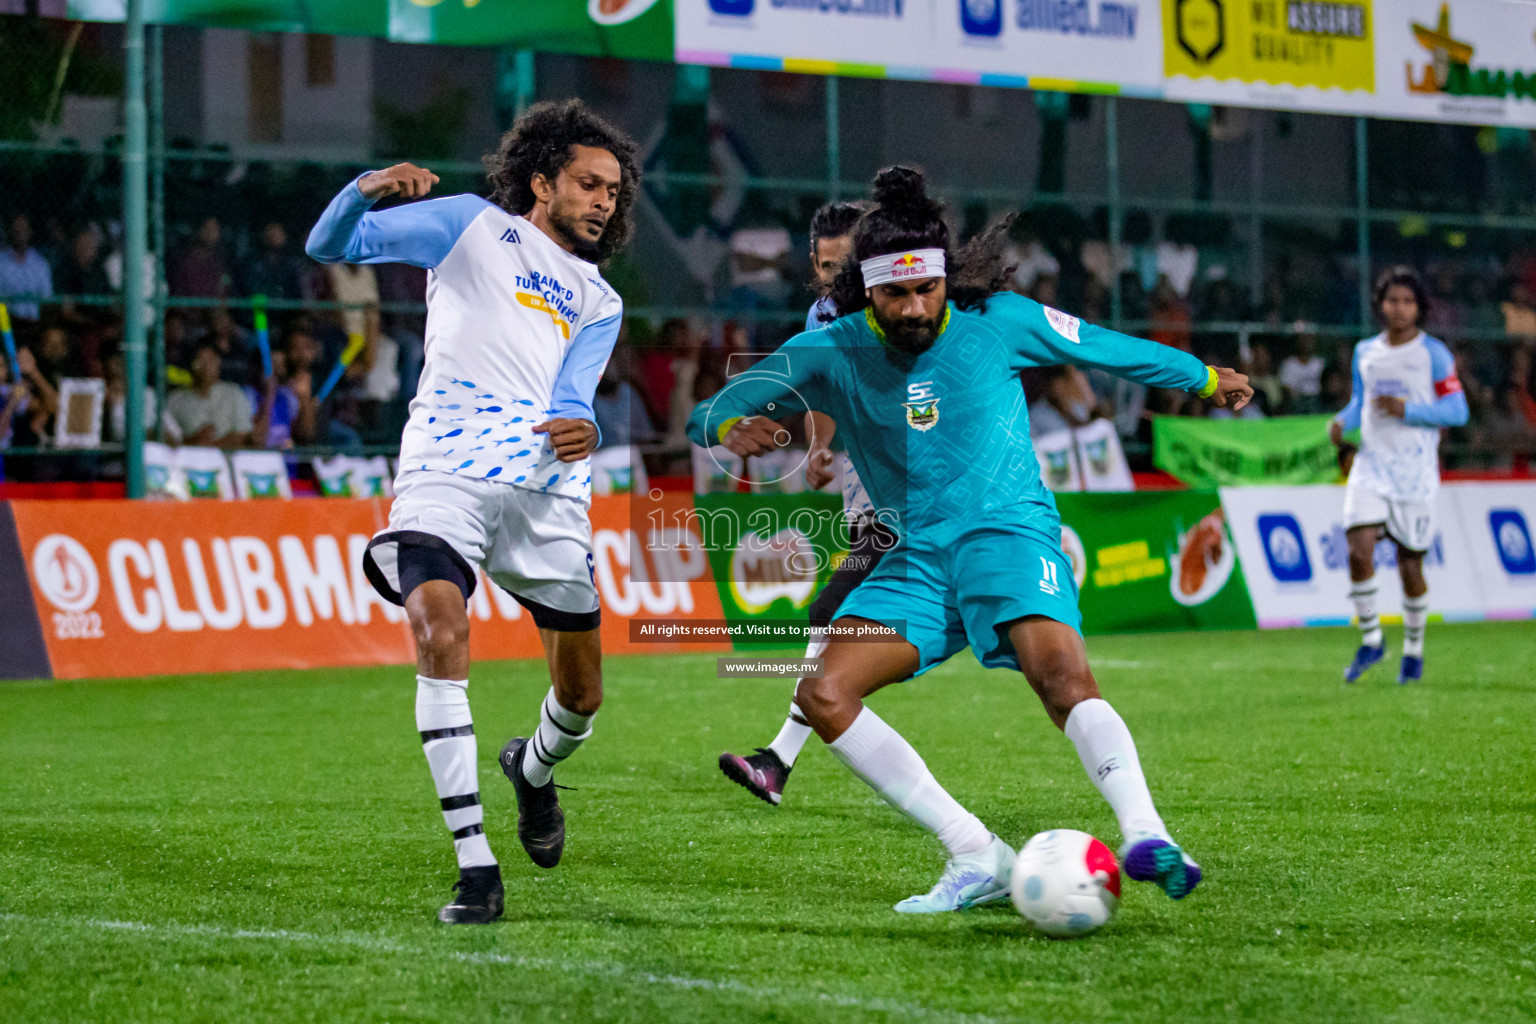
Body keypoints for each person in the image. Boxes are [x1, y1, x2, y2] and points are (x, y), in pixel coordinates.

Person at [689, 167, 1251, 912]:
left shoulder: (1000, 320)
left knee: (1060, 681)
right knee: (824, 693)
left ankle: (1146, 833)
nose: (917, 307)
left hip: (1005, 531)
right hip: (912, 558)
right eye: (897, 294)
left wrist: (1205, 377)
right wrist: (733, 427)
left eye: (928, 289)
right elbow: (712, 410)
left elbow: (1108, 348)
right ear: (868, 290)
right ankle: (975, 852)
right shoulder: (831, 349)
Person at [305, 99, 637, 925]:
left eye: (613, 192)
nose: (604, 200)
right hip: (446, 470)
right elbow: (330, 245)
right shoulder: (468, 228)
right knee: (440, 629)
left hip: (542, 492)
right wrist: (369, 188)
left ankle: (532, 770)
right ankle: (475, 866)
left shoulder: (599, 298)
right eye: (589, 184)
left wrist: (583, 427)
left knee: (584, 696)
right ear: (540, 181)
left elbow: (576, 398)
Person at [717, 200, 885, 806]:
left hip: (920, 490)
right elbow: (820, 384)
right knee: (840, 622)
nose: (834, 278)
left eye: (846, 266)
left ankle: (780, 758)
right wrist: (819, 446)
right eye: (825, 265)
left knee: (831, 616)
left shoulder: (899, 305)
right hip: (867, 482)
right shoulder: (822, 315)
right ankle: (779, 759)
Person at [1328, 267, 1468, 685]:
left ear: (1419, 308)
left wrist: (1409, 409)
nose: (1399, 308)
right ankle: (1372, 640)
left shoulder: (1434, 354)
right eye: (1392, 300)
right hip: (1371, 467)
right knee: (1358, 549)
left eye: (1408, 301)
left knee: (1410, 567)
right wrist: (1342, 420)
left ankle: (1413, 649)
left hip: (1414, 474)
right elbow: (1360, 402)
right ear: (1380, 304)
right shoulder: (1365, 352)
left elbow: (1457, 412)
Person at [166, 339, 256, 449]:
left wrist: (214, 444)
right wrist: (195, 440)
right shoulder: (176, 399)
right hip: (188, 461)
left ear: (219, 362)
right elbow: (165, 439)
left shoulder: (234, 393)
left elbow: (245, 434)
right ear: (192, 365)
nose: (207, 366)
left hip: (226, 461)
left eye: (211, 360)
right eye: (201, 361)